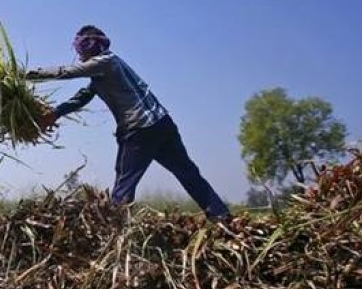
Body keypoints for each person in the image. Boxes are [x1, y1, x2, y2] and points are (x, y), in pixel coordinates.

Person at [26, 25, 231, 220]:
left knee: (123, 185)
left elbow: (66, 72)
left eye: (81, 48)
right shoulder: (107, 69)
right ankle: (221, 216)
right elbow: (83, 96)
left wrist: (25, 75)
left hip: (139, 130)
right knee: (187, 173)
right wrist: (55, 113)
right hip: (163, 125)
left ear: (91, 47)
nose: (79, 54)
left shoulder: (104, 62)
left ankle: (116, 235)